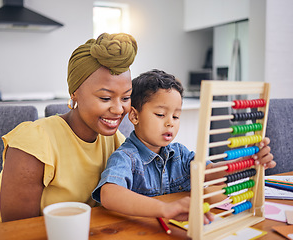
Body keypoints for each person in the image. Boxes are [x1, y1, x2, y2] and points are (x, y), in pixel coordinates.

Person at [0, 32, 138, 226]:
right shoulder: (34, 143)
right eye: (105, 98)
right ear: (74, 93)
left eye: (126, 97)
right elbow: (18, 231)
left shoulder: (115, 140)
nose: (119, 109)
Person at [92, 69, 275, 223]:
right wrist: (164, 208)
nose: (170, 123)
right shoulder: (126, 157)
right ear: (134, 116)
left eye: (176, 116)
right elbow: (109, 194)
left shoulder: (180, 153)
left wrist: (247, 161)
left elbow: (210, 173)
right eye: (160, 114)